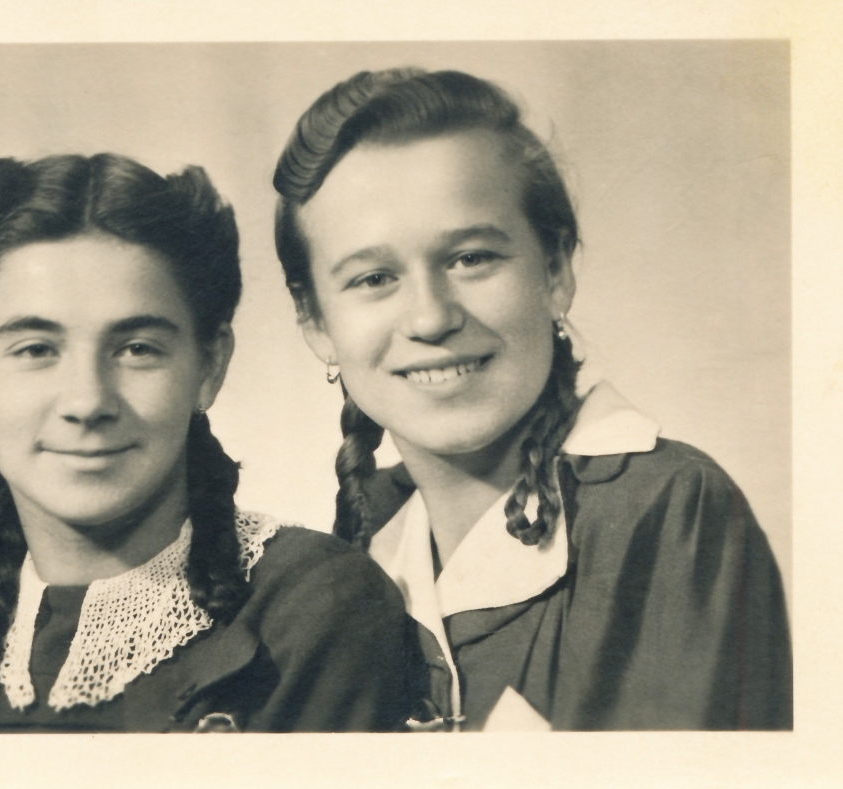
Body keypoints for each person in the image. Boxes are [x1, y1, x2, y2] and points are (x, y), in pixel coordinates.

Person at [0, 152, 416, 733]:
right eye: (35, 350)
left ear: (209, 367)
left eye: (137, 349)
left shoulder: (315, 606)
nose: (86, 402)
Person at [272, 68, 792, 730]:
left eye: (471, 258)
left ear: (554, 270)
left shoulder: (665, 510)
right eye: (374, 277)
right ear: (316, 321)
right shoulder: (357, 550)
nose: (430, 317)